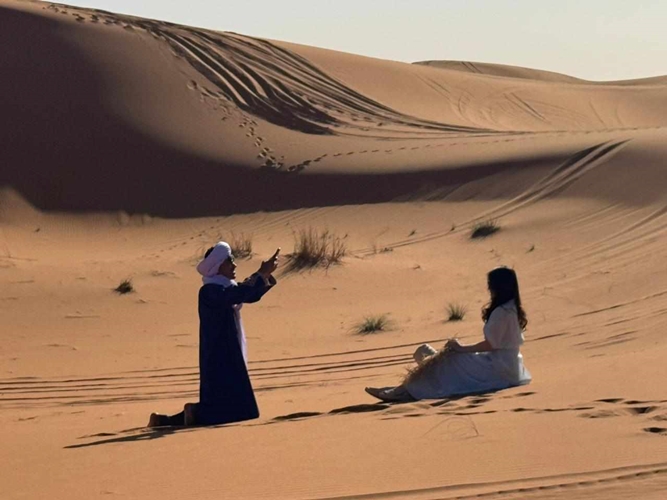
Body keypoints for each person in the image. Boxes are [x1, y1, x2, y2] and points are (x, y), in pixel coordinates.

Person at [148, 242, 280, 427]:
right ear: (218, 266)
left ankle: (168, 419)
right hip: (219, 352)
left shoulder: (223, 288)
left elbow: (247, 294)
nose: (234, 265)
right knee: (232, 408)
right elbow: (236, 294)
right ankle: (190, 413)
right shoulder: (209, 291)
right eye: (229, 261)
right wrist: (260, 274)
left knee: (233, 407)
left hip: (227, 350)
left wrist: (264, 274)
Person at [365, 267, 532, 402]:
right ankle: (405, 388)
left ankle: (403, 391)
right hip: (508, 365)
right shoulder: (511, 308)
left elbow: (491, 344)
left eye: (491, 284)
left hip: (498, 369)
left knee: (450, 358)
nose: (489, 288)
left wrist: (461, 348)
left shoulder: (502, 312)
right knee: (442, 358)